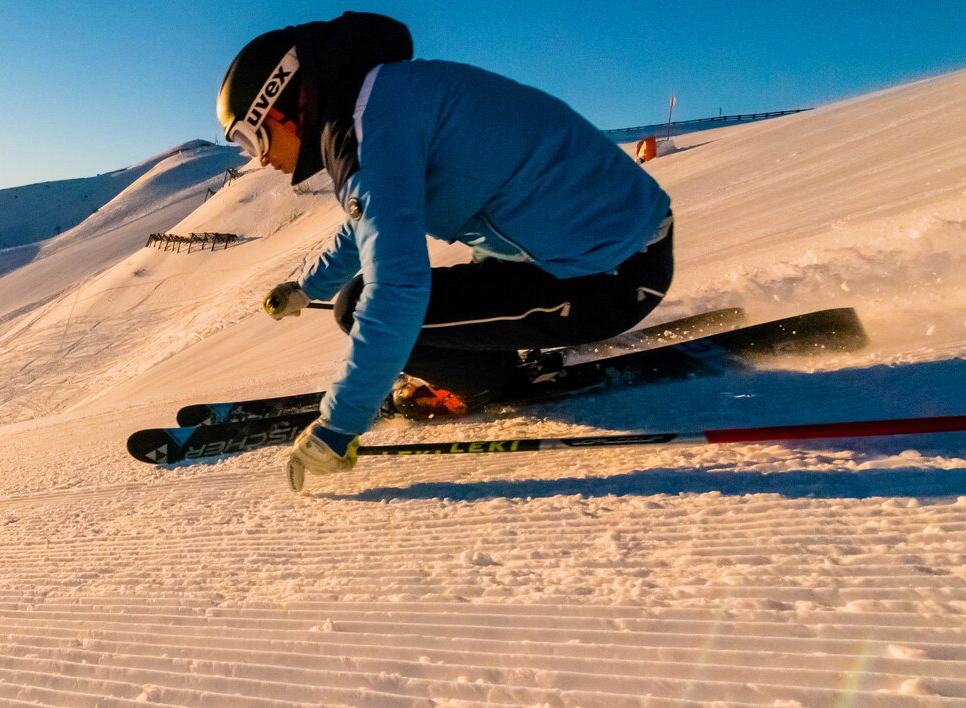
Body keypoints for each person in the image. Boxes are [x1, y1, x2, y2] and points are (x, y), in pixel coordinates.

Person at [216, 12, 674, 490]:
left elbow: (398, 289)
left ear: (283, 103)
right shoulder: (381, 100)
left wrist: (340, 426)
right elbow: (371, 222)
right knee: (376, 300)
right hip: (616, 246)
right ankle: (501, 349)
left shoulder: (364, 129)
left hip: (611, 276)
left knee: (357, 309)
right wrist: (305, 286)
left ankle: (489, 383)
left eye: (252, 139)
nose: (262, 159)